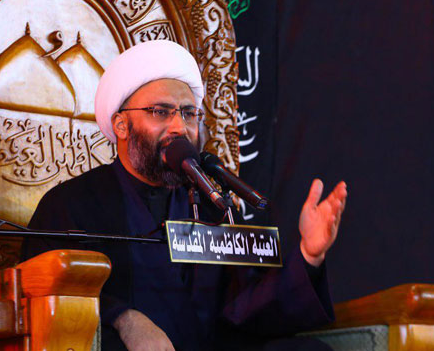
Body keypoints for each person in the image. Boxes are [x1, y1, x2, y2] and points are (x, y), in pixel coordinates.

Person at [21, 40, 348, 351]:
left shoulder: (213, 207)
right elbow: (41, 290)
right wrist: (122, 318)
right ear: (121, 125)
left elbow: (248, 306)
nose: (180, 127)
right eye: (161, 112)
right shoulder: (72, 203)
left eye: (189, 113)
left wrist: (309, 255)